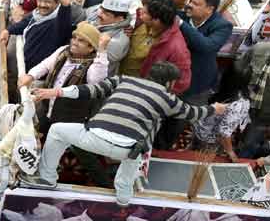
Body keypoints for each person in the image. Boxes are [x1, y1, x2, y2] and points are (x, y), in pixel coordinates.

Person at [27, 62, 226, 204]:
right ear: (170, 83)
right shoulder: (168, 98)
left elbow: (90, 90)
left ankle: (47, 178)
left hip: (94, 137)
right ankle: (123, 196)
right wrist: (215, 108)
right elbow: (193, 113)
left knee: (56, 130)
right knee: (140, 149)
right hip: (127, 150)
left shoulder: (123, 80)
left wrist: (55, 92)